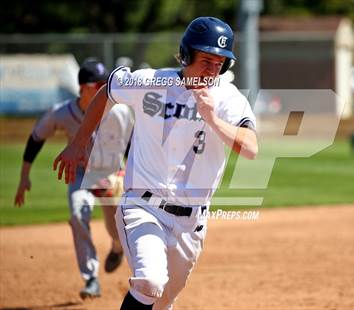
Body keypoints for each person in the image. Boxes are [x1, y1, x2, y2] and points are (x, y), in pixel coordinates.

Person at [53, 16, 258, 310]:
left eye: (220, 63)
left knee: (162, 302)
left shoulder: (227, 98)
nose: (212, 70)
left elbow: (250, 148)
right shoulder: (152, 81)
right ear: (186, 54)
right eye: (206, 60)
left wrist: (212, 118)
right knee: (150, 282)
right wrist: (78, 141)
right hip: (143, 206)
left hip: (192, 223)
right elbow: (108, 90)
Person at [14, 59, 132, 299]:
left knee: (117, 229)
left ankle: (117, 248)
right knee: (78, 214)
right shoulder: (63, 112)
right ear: (82, 87)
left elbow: (133, 146)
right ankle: (91, 279)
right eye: (97, 83)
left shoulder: (119, 111)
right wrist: (24, 177)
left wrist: (128, 177)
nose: (103, 87)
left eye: (104, 82)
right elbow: (36, 138)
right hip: (79, 173)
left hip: (110, 175)